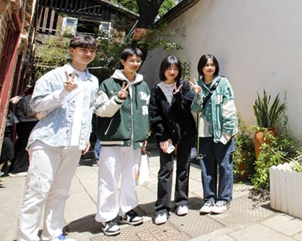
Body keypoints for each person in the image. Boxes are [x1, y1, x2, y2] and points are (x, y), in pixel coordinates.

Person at [17, 35, 99, 241]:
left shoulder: (92, 81)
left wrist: (86, 135)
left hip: (74, 143)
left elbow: (89, 110)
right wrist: (62, 92)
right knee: (37, 190)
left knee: (61, 190)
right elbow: (35, 106)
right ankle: (26, 236)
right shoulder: (55, 76)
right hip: (48, 140)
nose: (88, 54)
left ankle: (52, 233)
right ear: (72, 50)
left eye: (92, 50)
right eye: (83, 49)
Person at [94, 47, 150, 236]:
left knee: (129, 178)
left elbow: (145, 113)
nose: (135, 63)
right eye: (132, 60)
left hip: (135, 142)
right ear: (123, 61)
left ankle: (126, 209)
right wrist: (118, 99)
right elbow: (100, 110)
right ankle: (107, 217)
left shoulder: (143, 86)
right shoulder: (109, 84)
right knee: (108, 179)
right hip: (113, 141)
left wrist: (144, 135)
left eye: (138, 60)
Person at [149, 55, 197, 225]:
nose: (172, 71)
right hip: (167, 136)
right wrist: (162, 136)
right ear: (163, 70)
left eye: (175, 68)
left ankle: (181, 201)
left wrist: (178, 98)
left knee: (183, 167)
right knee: (165, 170)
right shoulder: (156, 89)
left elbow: (189, 107)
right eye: (169, 68)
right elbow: (154, 114)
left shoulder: (183, 86)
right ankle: (162, 208)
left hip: (185, 133)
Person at [190, 54, 237, 215]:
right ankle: (209, 199)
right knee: (206, 167)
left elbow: (230, 108)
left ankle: (224, 199)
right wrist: (197, 94)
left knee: (224, 166)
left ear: (216, 66)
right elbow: (195, 110)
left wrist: (228, 133)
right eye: (206, 65)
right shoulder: (199, 85)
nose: (209, 67)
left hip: (223, 133)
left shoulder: (223, 83)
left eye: (212, 64)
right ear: (201, 68)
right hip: (205, 134)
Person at [9, 85, 37, 176]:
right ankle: (18, 168)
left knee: (27, 145)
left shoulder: (30, 99)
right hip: (26, 124)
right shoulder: (26, 100)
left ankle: (22, 166)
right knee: (24, 145)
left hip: (30, 124)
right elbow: (29, 113)